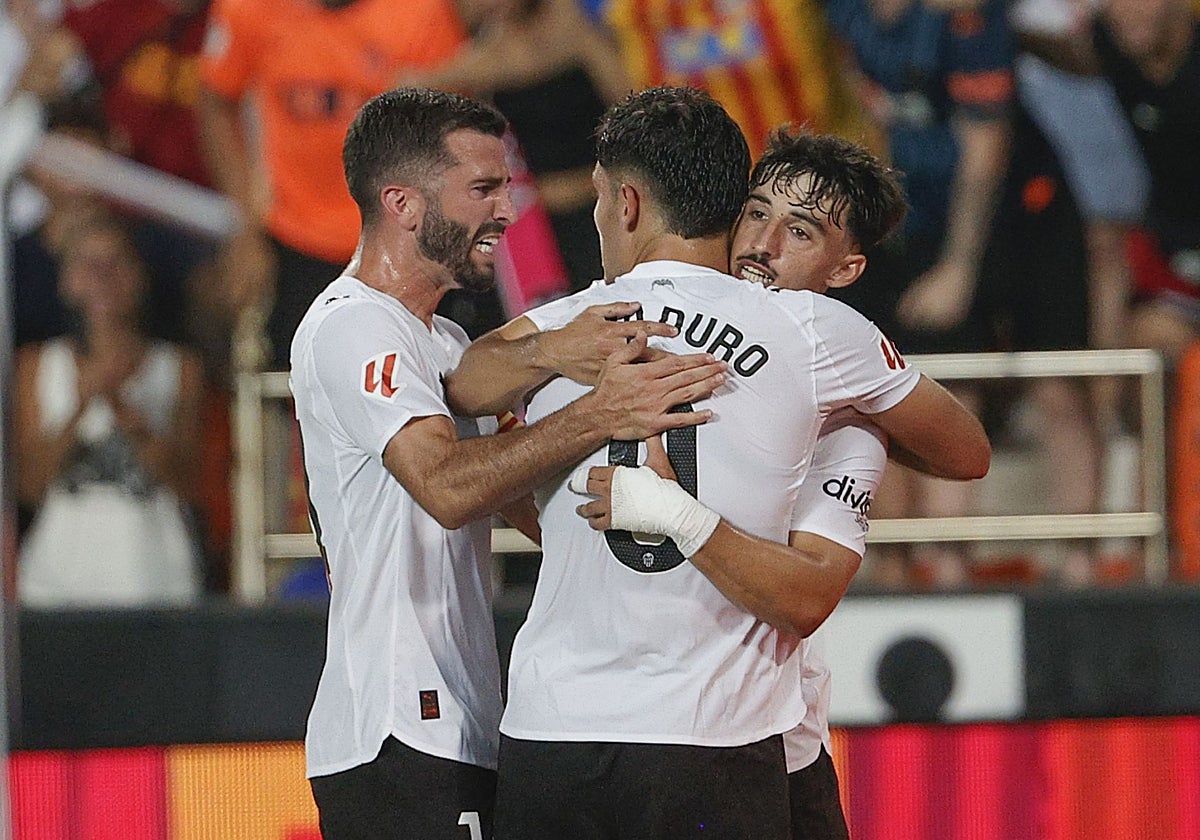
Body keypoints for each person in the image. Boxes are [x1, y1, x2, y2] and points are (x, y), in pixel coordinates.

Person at [447, 86, 986, 839]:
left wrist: (673, 507)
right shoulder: (606, 320)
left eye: (800, 230)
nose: (764, 243)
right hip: (704, 740)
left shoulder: (587, 317)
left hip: (639, 736)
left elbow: (464, 382)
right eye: (756, 214)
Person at [289, 87, 726, 839]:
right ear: (403, 203)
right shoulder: (354, 326)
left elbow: (529, 506)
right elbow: (450, 488)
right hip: (397, 724)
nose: (507, 211)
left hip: (462, 717)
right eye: (483, 189)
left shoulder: (448, 347)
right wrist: (602, 412)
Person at [198, 0, 472, 369]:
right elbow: (215, 97)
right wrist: (247, 229)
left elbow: (459, 133)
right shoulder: (250, 8)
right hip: (295, 241)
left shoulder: (422, 12)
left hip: (406, 243)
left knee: (418, 388)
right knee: (301, 389)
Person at [15, 214, 205, 607]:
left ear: (139, 277)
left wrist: (129, 416)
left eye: (116, 262)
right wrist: (80, 406)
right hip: (56, 584)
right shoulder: (37, 365)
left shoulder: (179, 367)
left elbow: (189, 487)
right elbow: (30, 488)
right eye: (86, 263)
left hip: (157, 580)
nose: (101, 276)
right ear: (66, 280)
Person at [409, 0, 632, 292]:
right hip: (546, 225)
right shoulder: (486, 49)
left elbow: (628, 100)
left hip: (611, 206)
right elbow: (415, 84)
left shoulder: (571, 22)